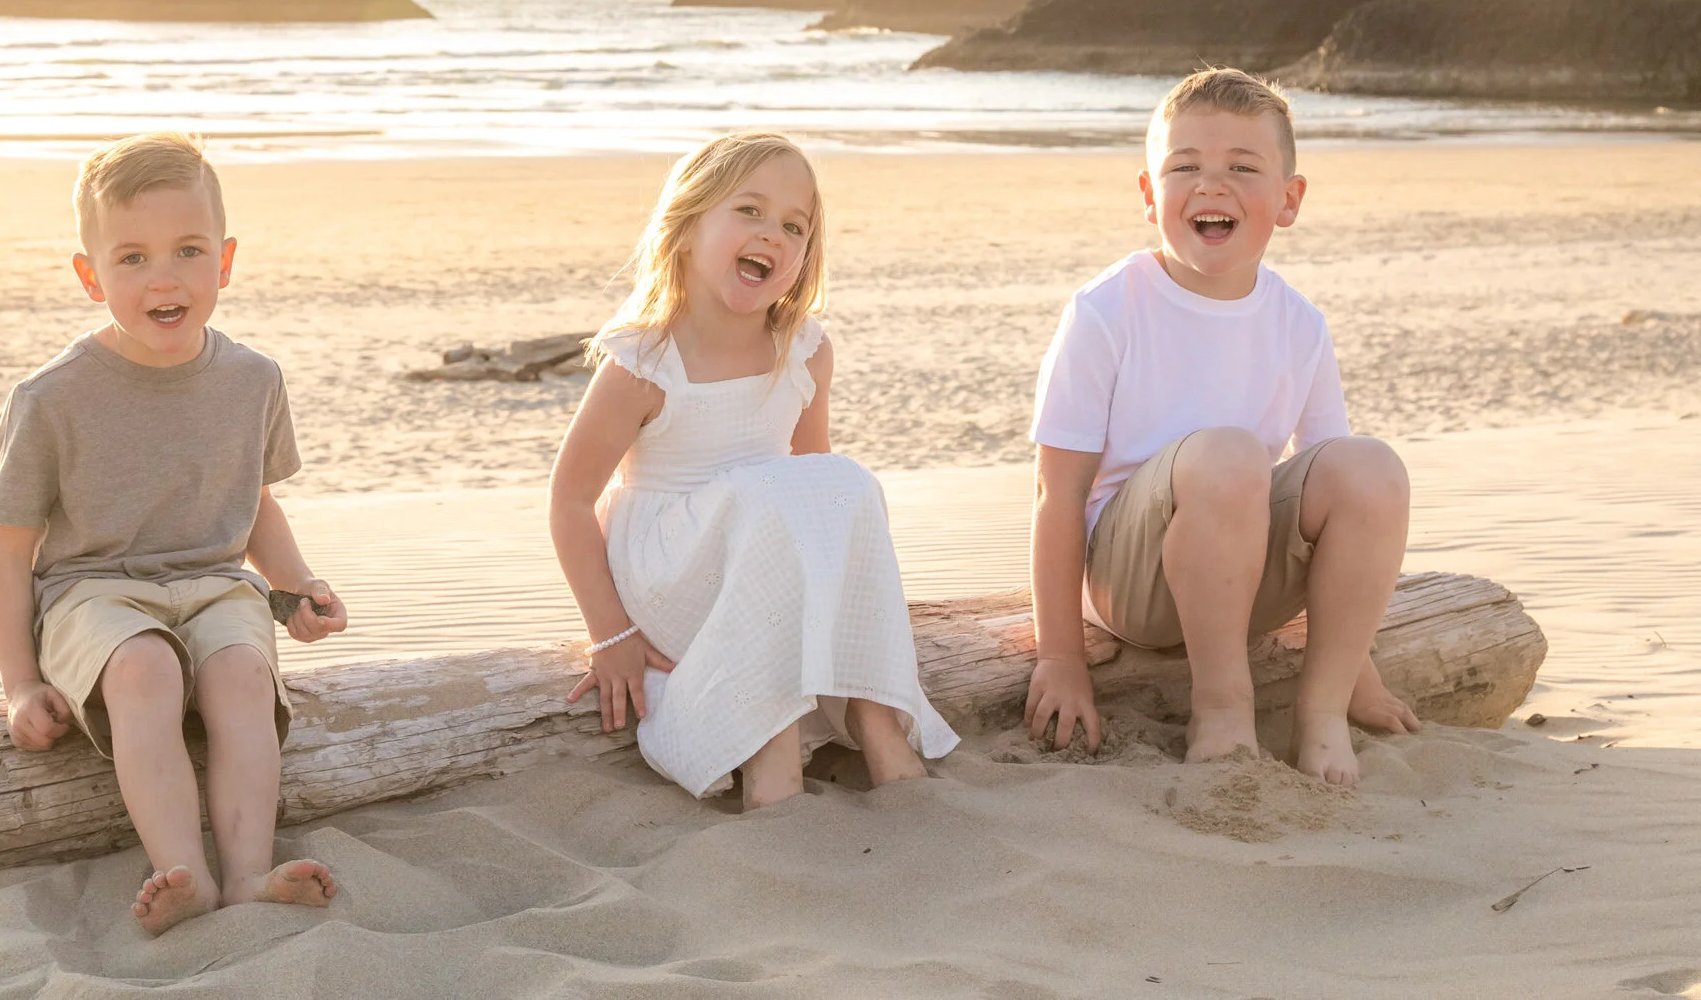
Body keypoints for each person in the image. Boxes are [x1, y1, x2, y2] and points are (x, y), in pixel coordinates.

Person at [0, 130, 349, 933]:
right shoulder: (51, 397)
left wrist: (298, 590)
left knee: (243, 676)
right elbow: (6, 549)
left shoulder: (253, 378)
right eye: (133, 258)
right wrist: (17, 684)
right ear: (89, 275)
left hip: (216, 584)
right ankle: (183, 869)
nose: (165, 277)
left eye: (188, 250)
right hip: (92, 594)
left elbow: (255, 506)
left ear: (226, 259)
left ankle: (249, 872)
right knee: (144, 668)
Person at [1024, 69, 1420, 786]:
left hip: (1242, 573)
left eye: (1242, 167)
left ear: (1288, 199)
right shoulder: (1107, 310)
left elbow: (1336, 501)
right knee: (1231, 454)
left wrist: (1357, 666)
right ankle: (1224, 708)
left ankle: (1322, 712)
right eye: (1185, 168)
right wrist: (1060, 656)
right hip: (1133, 580)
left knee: (1371, 467)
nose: (1211, 186)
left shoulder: (1298, 323)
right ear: (1149, 195)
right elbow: (1058, 492)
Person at [548, 131, 958, 809]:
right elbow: (568, 500)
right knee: (768, 497)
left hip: (759, 547)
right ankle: (771, 757)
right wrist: (610, 634)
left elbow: (818, 484)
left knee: (848, 482)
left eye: (794, 225)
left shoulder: (803, 348)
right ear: (685, 229)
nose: (773, 233)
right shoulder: (645, 362)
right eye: (750, 211)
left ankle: (872, 715)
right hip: (669, 567)